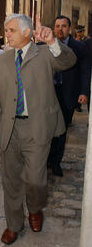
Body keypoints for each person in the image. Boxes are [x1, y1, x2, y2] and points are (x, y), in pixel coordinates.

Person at [0, 14, 76, 245]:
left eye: (12, 30)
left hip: (37, 128)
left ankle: (35, 208)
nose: (7, 34)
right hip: (10, 128)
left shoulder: (45, 54)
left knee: (36, 180)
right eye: (6, 30)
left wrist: (53, 41)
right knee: (11, 181)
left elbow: (69, 61)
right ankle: (13, 225)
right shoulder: (1, 60)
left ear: (27, 32)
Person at [48, 15, 90, 176]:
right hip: (49, 93)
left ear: (69, 28)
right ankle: (46, 160)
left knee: (62, 130)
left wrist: (84, 92)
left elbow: (85, 71)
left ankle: (56, 162)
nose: (60, 29)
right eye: (57, 26)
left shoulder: (79, 47)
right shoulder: (47, 45)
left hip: (68, 93)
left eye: (64, 26)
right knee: (47, 129)